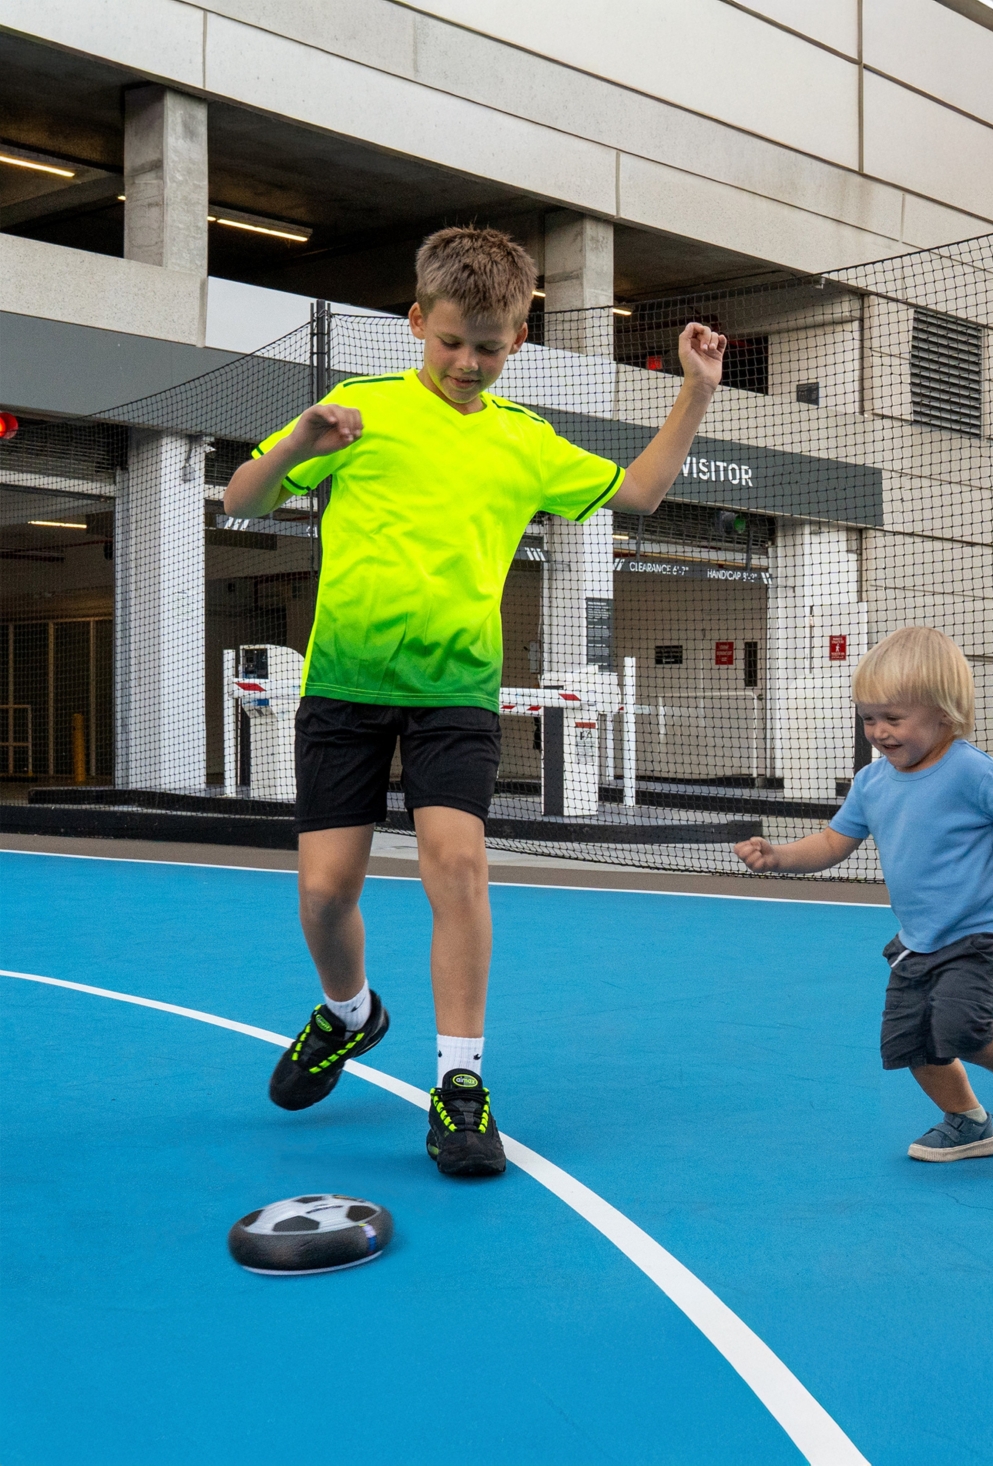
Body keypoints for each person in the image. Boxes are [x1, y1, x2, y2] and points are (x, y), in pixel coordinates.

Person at [224, 226, 726, 1176]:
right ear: (418, 323)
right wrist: (301, 439)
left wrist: (695, 391)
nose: (467, 362)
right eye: (452, 340)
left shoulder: (523, 442)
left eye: (489, 347)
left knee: (457, 866)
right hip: (343, 690)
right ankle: (350, 1015)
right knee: (326, 896)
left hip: (455, 693)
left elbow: (643, 495)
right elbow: (241, 501)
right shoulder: (356, 415)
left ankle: (459, 1084)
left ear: (518, 343)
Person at [735, 625, 993, 1162]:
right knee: (914, 1044)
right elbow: (832, 842)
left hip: (980, 937)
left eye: (894, 719)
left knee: (961, 1027)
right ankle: (968, 1123)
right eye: (869, 717)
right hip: (917, 944)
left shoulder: (973, 771)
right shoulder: (872, 783)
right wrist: (779, 856)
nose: (879, 731)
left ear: (944, 713)